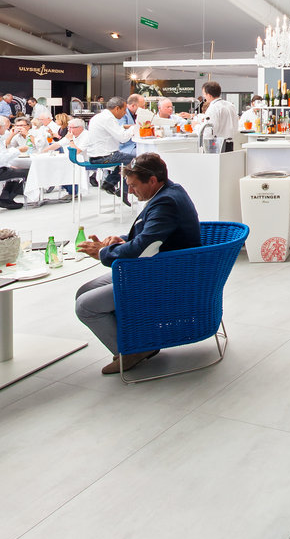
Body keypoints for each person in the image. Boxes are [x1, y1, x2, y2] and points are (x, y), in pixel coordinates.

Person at [74, 153, 201, 375]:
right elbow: (150, 237)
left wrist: (103, 252)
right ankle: (140, 340)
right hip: (159, 266)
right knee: (84, 291)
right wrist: (122, 240)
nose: (130, 191)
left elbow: (143, 248)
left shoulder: (166, 202)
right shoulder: (168, 192)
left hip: (166, 277)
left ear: (152, 180)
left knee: (85, 306)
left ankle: (133, 350)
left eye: (133, 186)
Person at [84, 97, 136, 202]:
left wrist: (126, 127)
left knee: (126, 160)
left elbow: (115, 131)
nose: (125, 113)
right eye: (124, 110)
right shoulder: (108, 119)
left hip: (97, 155)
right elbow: (123, 138)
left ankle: (110, 183)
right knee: (137, 161)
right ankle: (123, 189)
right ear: (117, 108)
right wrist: (134, 128)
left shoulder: (100, 116)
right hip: (104, 157)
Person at [196, 81, 237, 151]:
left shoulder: (213, 108)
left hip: (217, 144)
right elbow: (235, 126)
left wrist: (196, 126)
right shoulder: (230, 105)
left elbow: (208, 133)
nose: (204, 96)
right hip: (230, 144)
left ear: (209, 95)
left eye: (204, 94)